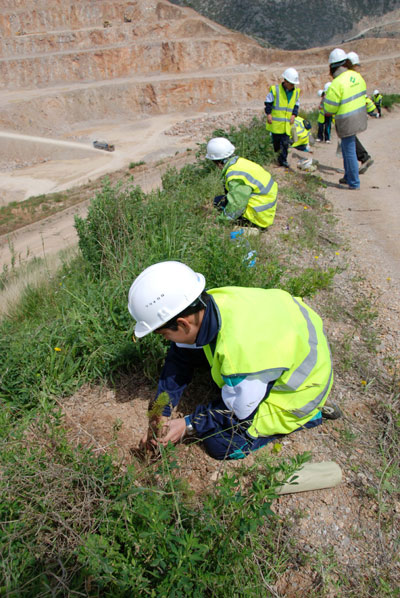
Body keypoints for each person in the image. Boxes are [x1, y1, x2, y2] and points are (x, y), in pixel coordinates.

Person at [129, 261, 334, 461]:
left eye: (164, 334)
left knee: (220, 444)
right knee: (191, 349)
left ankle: (308, 418)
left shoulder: (242, 355)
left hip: (302, 392)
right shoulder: (209, 303)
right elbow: (179, 357)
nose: (165, 340)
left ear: (182, 323)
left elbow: (237, 412)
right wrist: (162, 409)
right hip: (294, 339)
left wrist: (187, 425)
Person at [206, 137, 278, 229]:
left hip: (258, 216)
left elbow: (237, 204)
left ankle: (252, 226)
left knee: (218, 203)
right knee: (219, 200)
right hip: (265, 207)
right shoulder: (240, 163)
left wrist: (222, 221)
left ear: (217, 162)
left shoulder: (234, 175)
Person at [324, 48, 367, 190]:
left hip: (346, 120)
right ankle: (348, 177)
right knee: (347, 147)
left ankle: (354, 182)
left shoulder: (336, 84)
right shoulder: (356, 76)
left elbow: (329, 109)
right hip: (360, 117)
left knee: (349, 151)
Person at [344, 51, 374, 178]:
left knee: (348, 142)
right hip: (357, 112)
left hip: (347, 113)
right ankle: (350, 171)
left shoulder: (346, 78)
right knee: (348, 141)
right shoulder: (358, 78)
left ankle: (354, 170)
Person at [265, 67, 300, 168]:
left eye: (294, 84)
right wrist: (269, 114)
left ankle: (283, 161)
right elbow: (268, 103)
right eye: (291, 83)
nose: (293, 85)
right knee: (276, 142)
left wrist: (294, 114)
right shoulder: (275, 90)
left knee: (285, 143)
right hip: (276, 124)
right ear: (285, 81)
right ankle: (277, 157)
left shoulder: (296, 92)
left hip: (287, 124)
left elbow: (296, 104)